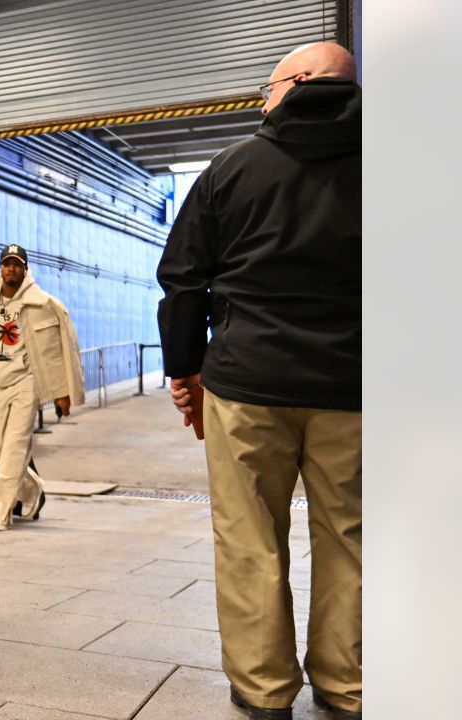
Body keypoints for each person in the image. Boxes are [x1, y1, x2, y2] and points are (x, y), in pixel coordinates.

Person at [156, 42, 361, 720]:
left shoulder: (231, 168)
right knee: (355, 540)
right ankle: (349, 686)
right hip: (359, 390)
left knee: (249, 537)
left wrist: (186, 371)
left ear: (298, 83)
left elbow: (183, 280)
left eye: (267, 88)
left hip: (248, 385)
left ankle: (265, 690)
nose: (261, 101)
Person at [0, 244, 84, 531]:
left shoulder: (44, 304)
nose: (11, 269)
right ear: (0, 267)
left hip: (27, 381)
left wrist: (62, 393)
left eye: (16, 264)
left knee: (14, 447)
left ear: (25, 268)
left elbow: (59, 352)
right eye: (6, 264)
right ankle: (32, 489)